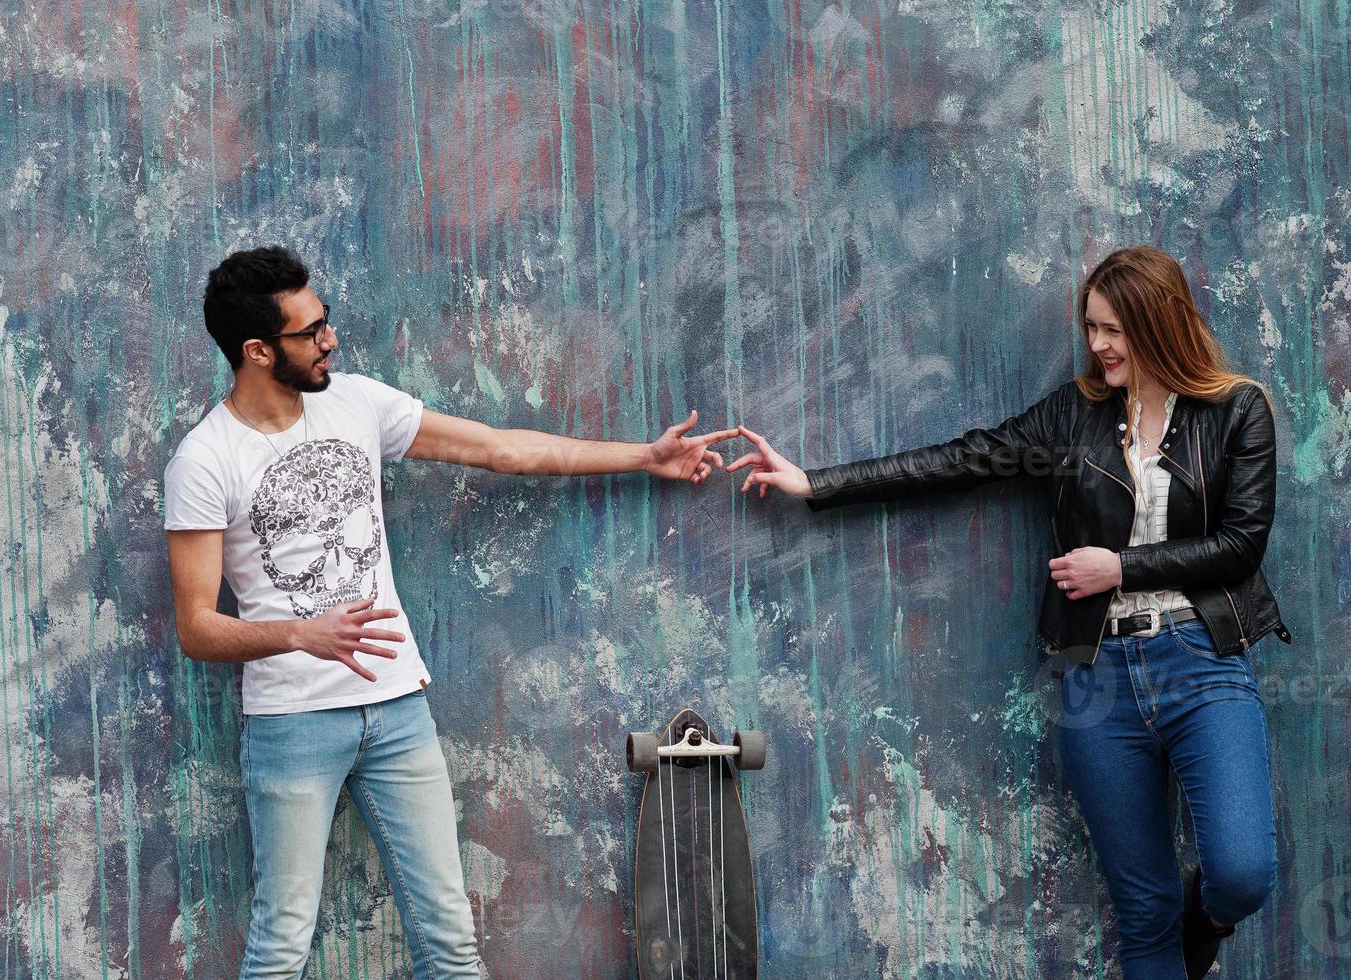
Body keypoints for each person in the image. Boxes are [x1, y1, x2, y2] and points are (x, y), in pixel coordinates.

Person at [163, 245, 735, 979]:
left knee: (451, 946)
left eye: (325, 321)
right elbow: (196, 627)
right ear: (256, 351)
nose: (330, 339)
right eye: (310, 332)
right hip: (293, 725)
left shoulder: (356, 402)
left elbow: (501, 450)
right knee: (281, 947)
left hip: (398, 712)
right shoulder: (206, 460)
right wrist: (300, 633)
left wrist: (642, 456)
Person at [726, 244, 1292, 979]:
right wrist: (816, 482)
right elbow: (966, 459)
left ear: (1159, 322)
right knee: (1140, 913)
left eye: (1113, 329)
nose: (1096, 345)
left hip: (1203, 664)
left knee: (1242, 872)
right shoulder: (1074, 417)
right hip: (1098, 681)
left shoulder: (1235, 410)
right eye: (1090, 327)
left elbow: (1241, 544)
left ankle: (1205, 920)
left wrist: (1119, 566)